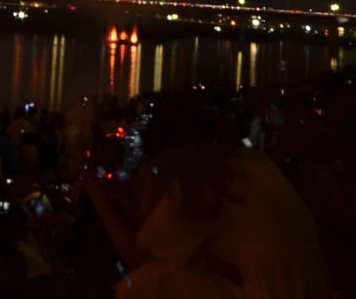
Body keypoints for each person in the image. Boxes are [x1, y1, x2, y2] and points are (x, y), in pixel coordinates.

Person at [80, 100, 332, 299]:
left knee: (145, 284)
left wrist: (96, 193)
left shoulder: (195, 176)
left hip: (273, 290)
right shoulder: (247, 159)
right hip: (306, 284)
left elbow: (137, 257)